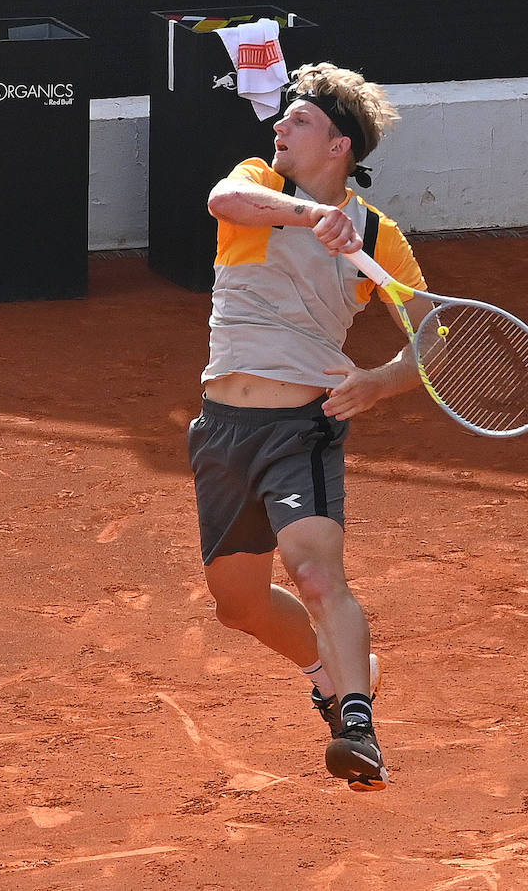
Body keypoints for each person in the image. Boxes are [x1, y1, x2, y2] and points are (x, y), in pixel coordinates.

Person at [189, 62, 434, 791]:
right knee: (239, 606)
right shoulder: (260, 187)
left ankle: (357, 728)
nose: (279, 129)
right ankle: (335, 673)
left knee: (317, 572)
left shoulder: (376, 237)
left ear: (340, 148)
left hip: (304, 427)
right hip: (223, 432)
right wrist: (309, 216)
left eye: (298, 121)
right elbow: (221, 199)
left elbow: (434, 331)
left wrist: (382, 382)